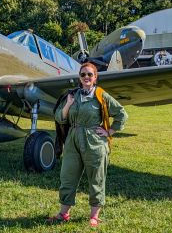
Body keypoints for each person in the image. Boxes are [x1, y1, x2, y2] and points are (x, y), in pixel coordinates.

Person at [48, 62, 127, 227]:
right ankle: (63, 213)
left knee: (96, 178)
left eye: (90, 74)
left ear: (95, 77)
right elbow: (59, 117)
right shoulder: (72, 95)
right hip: (72, 140)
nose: (86, 77)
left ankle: (94, 216)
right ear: (79, 77)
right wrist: (68, 104)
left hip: (95, 142)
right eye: (83, 74)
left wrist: (109, 132)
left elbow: (121, 114)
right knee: (67, 176)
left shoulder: (101, 95)